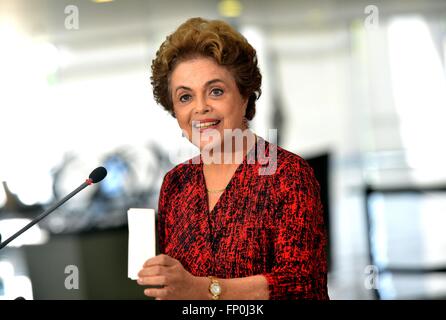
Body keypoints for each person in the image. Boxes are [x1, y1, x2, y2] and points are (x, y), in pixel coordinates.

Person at [137, 17, 329, 300]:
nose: (201, 108)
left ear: (244, 95)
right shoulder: (175, 185)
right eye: (185, 97)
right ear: (173, 109)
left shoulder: (288, 175)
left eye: (215, 91)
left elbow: (302, 287)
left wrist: (204, 289)